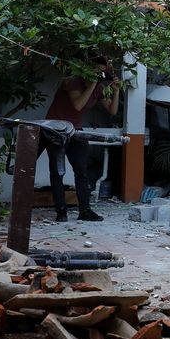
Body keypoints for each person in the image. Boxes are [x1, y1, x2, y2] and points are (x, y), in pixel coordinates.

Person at [40, 64, 120, 222]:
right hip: (56, 127)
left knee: (82, 170)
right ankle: (61, 211)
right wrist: (91, 86)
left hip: (75, 129)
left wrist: (116, 91)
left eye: (102, 73)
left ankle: (85, 210)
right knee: (57, 171)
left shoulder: (98, 88)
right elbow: (78, 105)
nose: (100, 75)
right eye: (98, 71)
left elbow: (112, 110)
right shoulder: (73, 80)